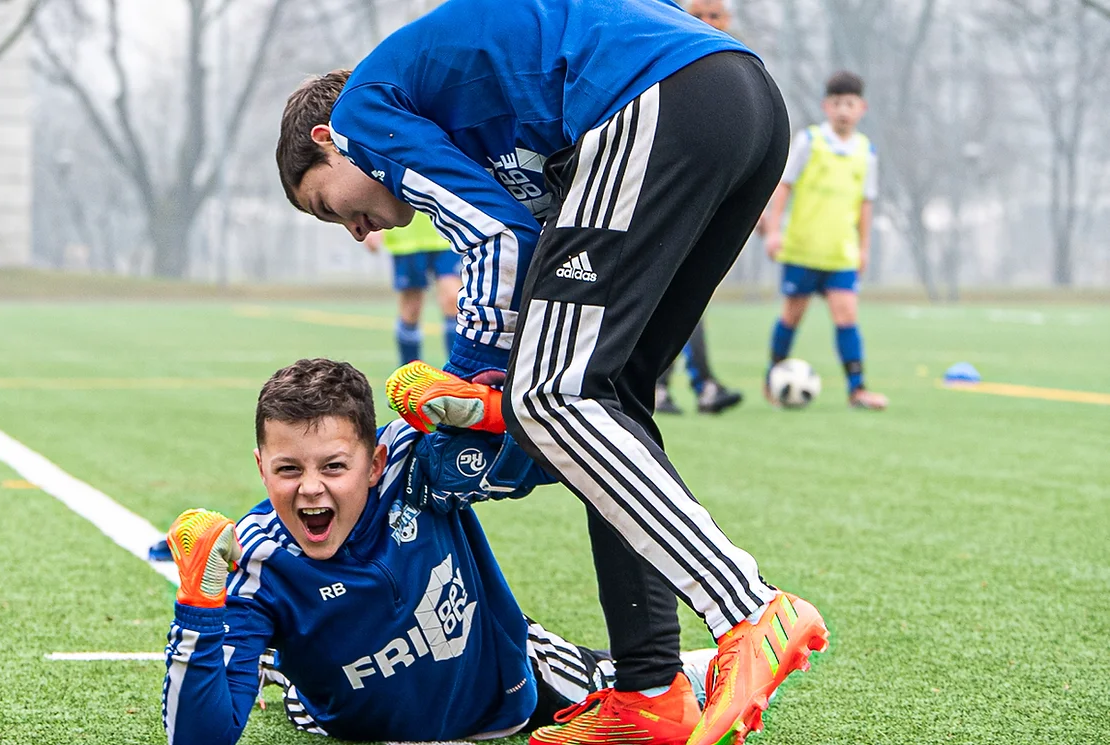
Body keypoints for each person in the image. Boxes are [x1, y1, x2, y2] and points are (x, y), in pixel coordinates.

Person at [274, 2, 829, 744]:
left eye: (326, 204)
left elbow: (499, 240)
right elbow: (543, 243)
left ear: (327, 141)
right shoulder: (451, 116)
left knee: (552, 395)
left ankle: (750, 609)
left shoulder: (362, 117)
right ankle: (649, 692)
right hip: (742, 105)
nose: (355, 229)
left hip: (662, 97)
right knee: (608, 403)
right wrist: (490, 400)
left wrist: (475, 380)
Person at [161, 358, 629, 744]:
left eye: (334, 466)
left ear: (374, 463)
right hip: (353, 725)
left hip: (506, 685)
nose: (309, 488)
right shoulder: (259, 564)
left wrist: (487, 413)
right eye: (287, 469)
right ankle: (273, 659)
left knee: (636, 689)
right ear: (262, 468)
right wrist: (198, 612)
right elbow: (198, 739)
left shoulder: (415, 467)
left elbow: (570, 459)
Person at [763, 71, 889, 410]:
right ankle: (773, 378)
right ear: (826, 106)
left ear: (861, 107)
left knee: (847, 316)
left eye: (849, 104)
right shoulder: (810, 141)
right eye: (836, 103)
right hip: (803, 248)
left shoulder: (867, 152)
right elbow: (784, 185)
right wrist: (774, 231)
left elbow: (866, 203)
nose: (843, 110)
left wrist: (864, 249)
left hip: (840, 253)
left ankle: (857, 389)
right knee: (792, 315)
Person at [654, 0, 746, 418]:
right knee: (665, 291)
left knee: (686, 293)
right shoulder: (670, 62)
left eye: (716, 16)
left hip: (704, 198)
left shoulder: (737, 71)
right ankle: (669, 385)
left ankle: (679, 385)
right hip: (665, 194)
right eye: (701, 15)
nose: (709, 23)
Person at [367, 210, 461, 365]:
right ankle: (409, 373)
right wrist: (373, 223)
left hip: (447, 231)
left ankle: (458, 372)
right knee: (412, 309)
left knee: (453, 299)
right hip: (406, 237)